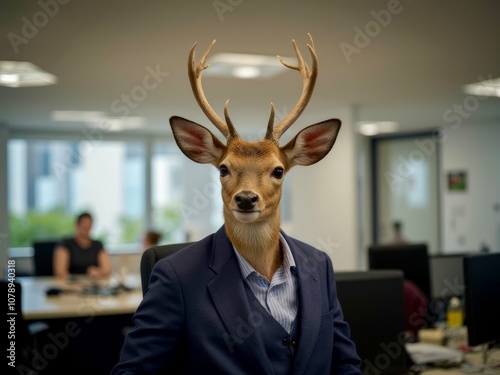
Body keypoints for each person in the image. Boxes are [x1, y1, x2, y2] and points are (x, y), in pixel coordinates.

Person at [53, 212, 112, 279]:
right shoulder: (65, 244)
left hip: (93, 284)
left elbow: (107, 269)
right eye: (84, 224)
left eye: (88, 225)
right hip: (70, 285)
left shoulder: (97, 245)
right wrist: (76, 280)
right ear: (77, 225)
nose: (86, 227)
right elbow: (60, 271)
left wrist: (99, 272)